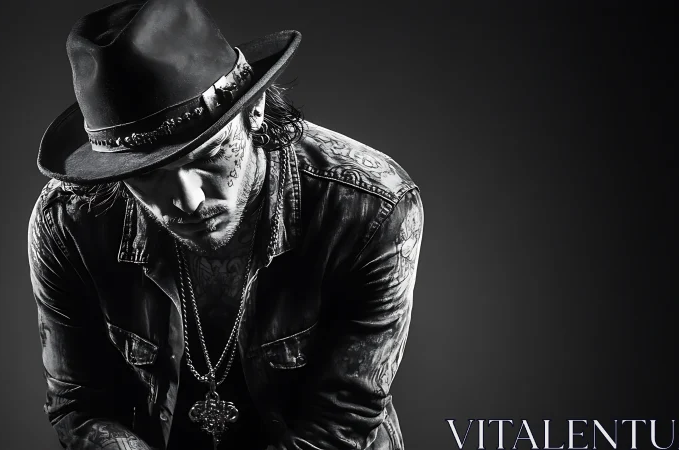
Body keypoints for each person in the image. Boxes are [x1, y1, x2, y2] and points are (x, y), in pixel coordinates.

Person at [27, 0, 424, 448]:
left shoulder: (368, 207)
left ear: (252, 111)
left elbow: (342, 421)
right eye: (146, 175)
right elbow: (80, 406)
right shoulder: (69, 223)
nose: (187, 201)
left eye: (208, 157)